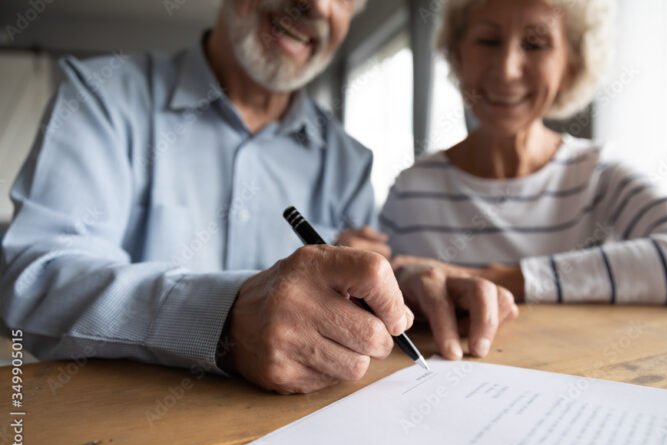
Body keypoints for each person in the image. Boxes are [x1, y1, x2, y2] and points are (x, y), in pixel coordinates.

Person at [0, 0, 517, 395]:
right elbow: (30, 283)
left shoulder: (348, 159)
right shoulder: (101, 98)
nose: (316, 4)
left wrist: (402, 289)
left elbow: (351, 287)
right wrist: (223, 317)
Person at [381, 0, 667, 306]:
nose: (507, 70)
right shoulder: (411, 188)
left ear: (570, 67)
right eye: (488, 41)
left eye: (536, 44)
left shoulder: (597, 175)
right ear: (458, 56)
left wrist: (507, 279)